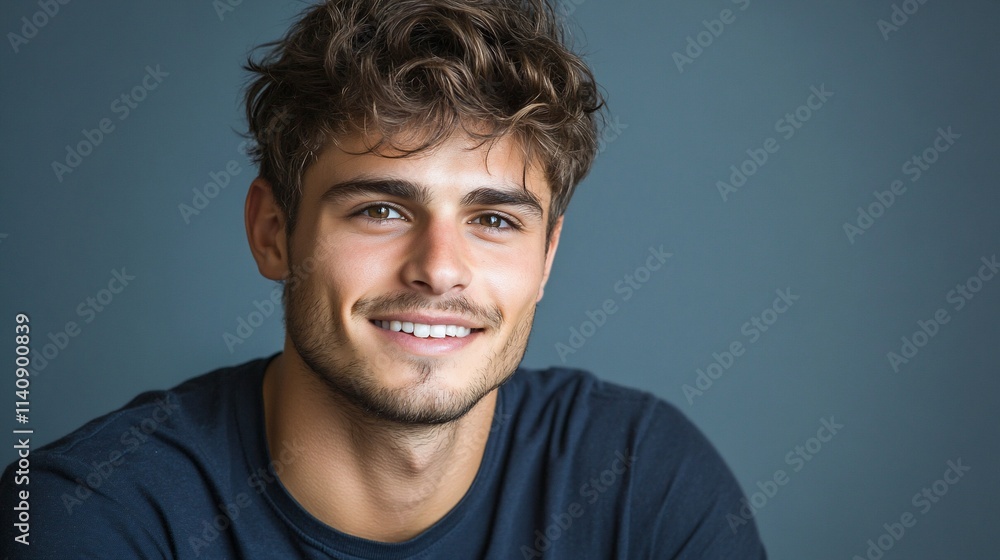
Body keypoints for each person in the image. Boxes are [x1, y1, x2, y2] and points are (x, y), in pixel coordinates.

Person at [2, 0, 767, 557]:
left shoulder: (641, 481)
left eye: (494, 220)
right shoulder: (84, 519)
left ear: (547, 260)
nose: (438, 268)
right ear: (273, 233)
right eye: (379, 210)